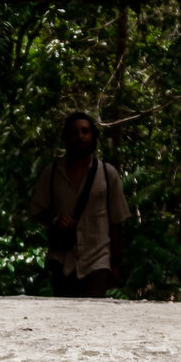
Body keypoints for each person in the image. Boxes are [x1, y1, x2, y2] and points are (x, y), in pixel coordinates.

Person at [29, 110, 131, 298]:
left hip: (97, 261)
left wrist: (115, 264)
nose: (80, 136)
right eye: (74, 132)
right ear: (66, 138)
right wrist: (55, 220)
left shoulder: (108, 174)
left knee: (92, 316)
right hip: (62, 260)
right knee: (65, 318)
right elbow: (36, 211)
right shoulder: (51, 173)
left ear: (93, 136)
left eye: (85, 131)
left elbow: (117, 221)